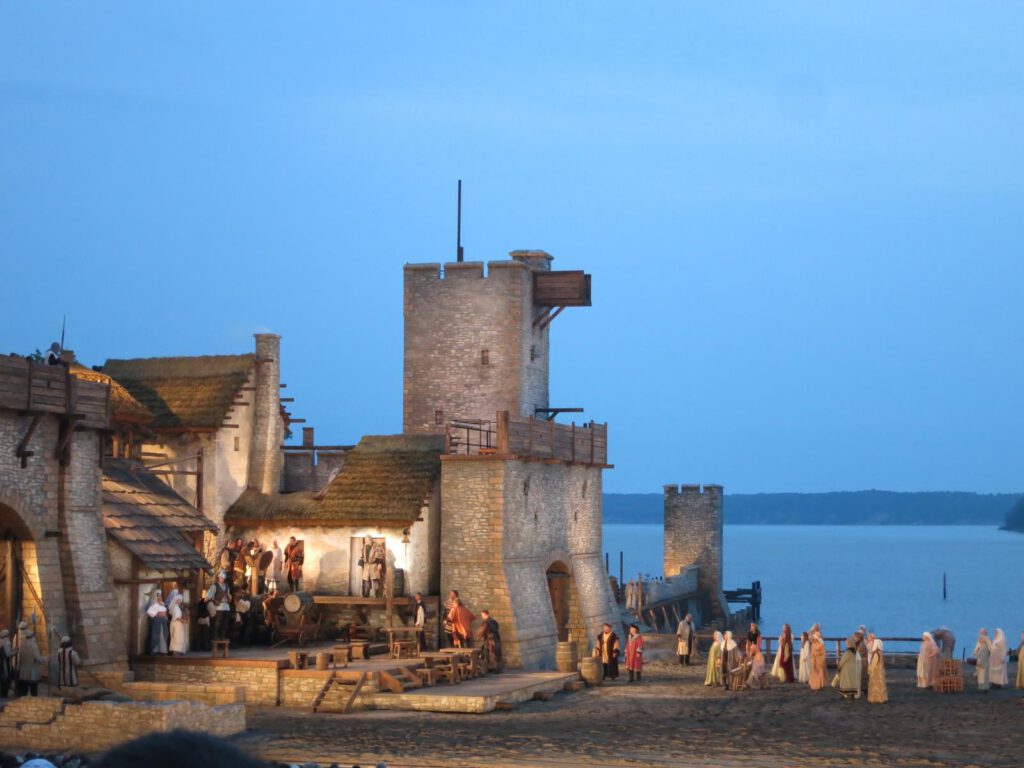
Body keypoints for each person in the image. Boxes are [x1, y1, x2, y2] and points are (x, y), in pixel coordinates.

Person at [16, 629, 44, 696]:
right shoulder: (33, 646)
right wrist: (44, 660)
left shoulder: (21, 645)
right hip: (32, 670)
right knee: (33, 690)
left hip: (23, 670)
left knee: (23, 690)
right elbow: (38, 658)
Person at [206, 571, 233, 641]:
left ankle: (223, 636)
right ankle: (216, 636)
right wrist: (214, 600)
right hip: (219, 607)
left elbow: (229, 595)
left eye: (223, 578)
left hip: (226, 607)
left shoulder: (226, 586)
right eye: (221, 577)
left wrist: (230, 597)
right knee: (217, 623)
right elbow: (209, 595)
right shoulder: (214, 586)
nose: (222, 579)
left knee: (225, 623)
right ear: (219, 577)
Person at [146, 591, 169, 655]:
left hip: (163, 622)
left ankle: (163, 650)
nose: (159, 598)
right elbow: (149, 612)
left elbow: (164, 612)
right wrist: (156, 615)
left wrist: (165, 617)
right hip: (157, 622)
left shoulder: (162, 604)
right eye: (158, 597)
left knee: (163, 635)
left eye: (160, 596)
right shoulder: (154, 605)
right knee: (156, 635)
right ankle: (155, 650)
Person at [867, 637, 887, 704]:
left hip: (876, 673)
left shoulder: (876, 653)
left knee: (875, 686)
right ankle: (881, 698)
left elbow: (873, 664)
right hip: (880, 672)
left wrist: (869, 671)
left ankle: (876, 699)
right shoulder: (880, 653)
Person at [0, 630, 13, 697]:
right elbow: (8, 654)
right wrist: (15, 652)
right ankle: (3, 695)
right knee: (6, 680)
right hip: (4, 664)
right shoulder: (6, 643)